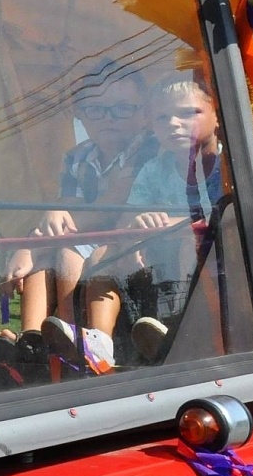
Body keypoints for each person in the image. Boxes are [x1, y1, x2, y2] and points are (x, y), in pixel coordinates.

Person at [9, 63, 156, 346]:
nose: (108, 119)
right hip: (91, 237)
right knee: (42, 262)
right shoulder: (79, 157)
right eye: (95, 110)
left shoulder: (148, 148)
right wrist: (33, 247)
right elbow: (67, 209)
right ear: (80, 114)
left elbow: (111, 206)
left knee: (63, 251)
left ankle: (76, 338)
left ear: (144, 112)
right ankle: (32, 339)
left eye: (122, 108)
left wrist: (31, 244)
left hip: (134, 239)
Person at [108, 72, 224, 363]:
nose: (173, 124)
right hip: (157, 263)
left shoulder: (231, 166)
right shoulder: (154, 170)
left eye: (188, 113)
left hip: (217, 262)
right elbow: (127, 223)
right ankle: (97, 346)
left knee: (189, 239)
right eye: (162, 118)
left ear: (218, 115)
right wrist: (138, 224)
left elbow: (227, 220)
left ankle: (179, 329)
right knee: (99, 255)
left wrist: (175, 226)